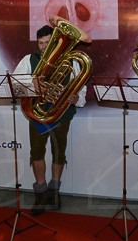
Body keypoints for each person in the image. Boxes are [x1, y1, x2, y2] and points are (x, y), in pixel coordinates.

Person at [12, 23, 87, 216]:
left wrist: (77, 98)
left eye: (48, 42)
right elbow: (14, 84)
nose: (44, 46)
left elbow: (81, 88)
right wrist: (32, 84)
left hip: (62, 114)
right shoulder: (29, 60)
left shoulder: (71, 61)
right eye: (41, 43)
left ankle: (54, 191)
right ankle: (41, 192)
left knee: (59, 153)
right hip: (37, 113)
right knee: (37, 153)